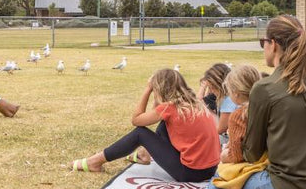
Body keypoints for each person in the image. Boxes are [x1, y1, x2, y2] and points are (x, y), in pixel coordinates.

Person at [167, 15, 306, 189]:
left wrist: (228, 154)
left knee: (225, 170)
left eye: (263, 42)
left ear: (273, 44)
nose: (263, 47)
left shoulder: (265, 88)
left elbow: (251, 153)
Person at [71, 68, 220, 181]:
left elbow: (136, 120)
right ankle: (144, 154)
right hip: (210, 169)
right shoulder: (193, 103)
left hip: (190, 173)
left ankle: (94, 162)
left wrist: (148, 89)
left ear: (159, 88)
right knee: (163, 125)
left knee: (140, 133)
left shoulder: (170, 108)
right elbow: (155, 113)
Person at [165, 64, 265, 189]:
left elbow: (236, 154)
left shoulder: (238, 115)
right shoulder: (268, 107)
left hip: (250, 165)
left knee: (219, 177)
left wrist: (224, 156)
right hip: (266, 165)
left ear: (236, 93)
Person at [198, 63, 236, 136]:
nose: (211, 91)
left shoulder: (228, 101)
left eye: (212, 87)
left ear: (220, 85)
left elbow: (220, 129)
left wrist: (206, 109)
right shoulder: (230, 97)